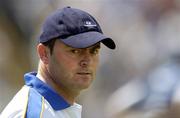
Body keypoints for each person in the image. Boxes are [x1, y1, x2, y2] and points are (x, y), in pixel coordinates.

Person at [0, 6, 116, 118]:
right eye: (74, 51)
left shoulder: (53, 108)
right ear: (44, 53)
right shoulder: (34, 112)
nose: (87, 61)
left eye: (94, 51)